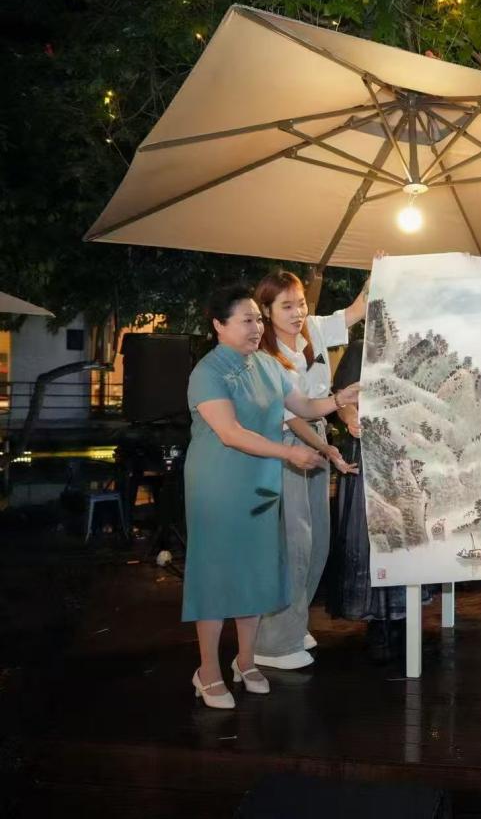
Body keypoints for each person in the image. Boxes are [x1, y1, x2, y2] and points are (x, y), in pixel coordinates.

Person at [184, 285, 359, 709]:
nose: (256, 327)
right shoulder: (208, 372)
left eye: (257, 320)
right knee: (217, 574)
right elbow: (231, 433)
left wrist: (340, 399)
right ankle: (207, 671)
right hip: (218, 485)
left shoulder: (265, 363)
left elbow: (304, 407)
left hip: (261, 483)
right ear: (218, 325)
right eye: (246, 320)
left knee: (257, 571)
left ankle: (245, 661)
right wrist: (290, 453)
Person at [252, 270, 367, 670]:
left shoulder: (313, 330)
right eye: (286, 306)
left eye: (300, 303)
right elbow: (291, 415)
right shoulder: (263, 355)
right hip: (286, 444)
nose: (297, 312)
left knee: (317, 539)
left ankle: (294, 623)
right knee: (293, 543)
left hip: (316, 438)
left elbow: (357, 310)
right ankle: (272, 643)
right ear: (267, 311)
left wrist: (378, 278)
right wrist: (326, 447)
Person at [327, 338, 413, 662]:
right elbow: (341, 398)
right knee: (370, 539)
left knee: (408, 534)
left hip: (411, 458)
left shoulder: (419, 341)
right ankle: (378, 619)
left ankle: (404, 614)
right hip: (369, 455)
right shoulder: (361, 347)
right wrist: (351, 418)